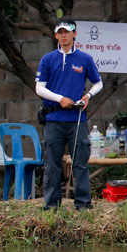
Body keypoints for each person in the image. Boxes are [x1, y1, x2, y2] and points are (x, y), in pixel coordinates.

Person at [36, 18, 102, 210]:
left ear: (74, 33)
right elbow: (39, 88)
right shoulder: (48, 59)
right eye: (60, 32)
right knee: (52, 165)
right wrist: (60, 99)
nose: (64, 35)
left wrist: (88, 95)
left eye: (67, 32)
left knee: (80, 164)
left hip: (77, 119)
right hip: (54, 119)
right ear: (56, 35)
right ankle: (51, 206)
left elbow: (98, 82)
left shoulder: (85, 58)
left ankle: (83, 204)